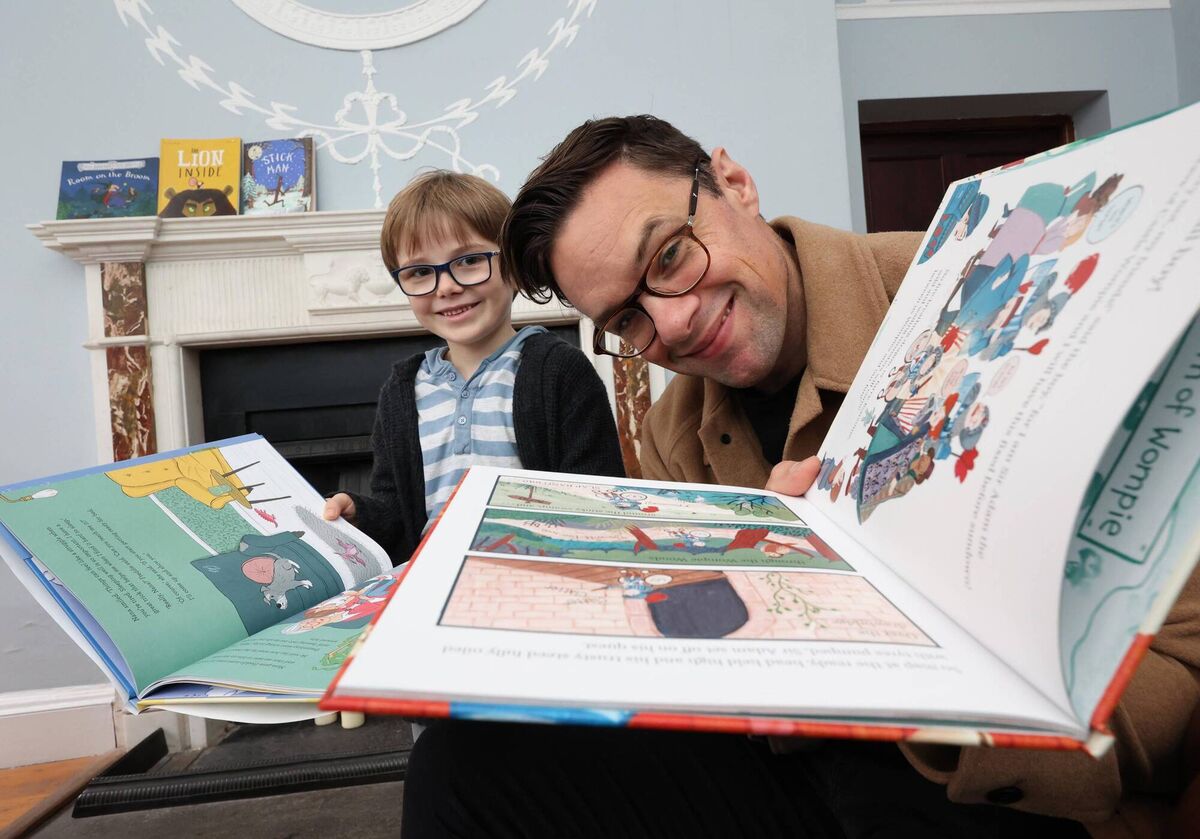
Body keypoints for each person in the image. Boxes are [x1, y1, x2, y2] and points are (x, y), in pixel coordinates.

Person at [400, 117, 1200, 838]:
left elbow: (1177, 685)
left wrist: (865, 632)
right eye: (627, 320)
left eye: (671, 256)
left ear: (735, 184)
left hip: (987, 778)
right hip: (797, 762)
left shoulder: (990, 296)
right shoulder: (678, 428)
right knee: (459, 762)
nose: (671, 321)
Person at [322, 171, 624, 567]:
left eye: (468, 261)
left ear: (514, 267)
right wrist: (360, 512)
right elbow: (396, 509)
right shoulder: (402, 391)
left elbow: (598, 497)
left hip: (538, 577)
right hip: (431, 580)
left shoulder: (559, 370)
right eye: (419, 272)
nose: (445, 286)